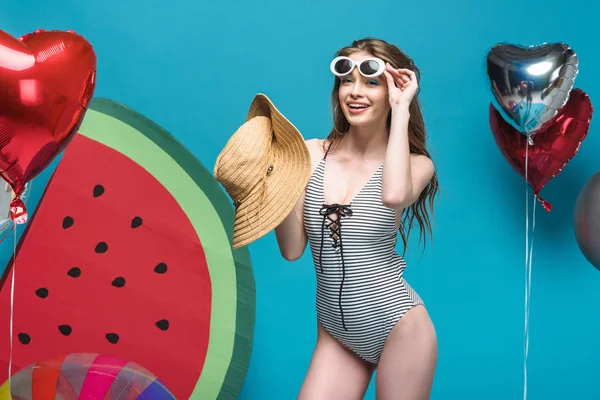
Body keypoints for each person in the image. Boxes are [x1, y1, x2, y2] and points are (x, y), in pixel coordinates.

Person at [274, 37, 440, 400]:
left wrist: (401, 110)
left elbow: (394, 195)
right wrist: (280, 179)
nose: (355, 91)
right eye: (346, 80)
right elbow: (291, 249)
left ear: (393, 89)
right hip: (336, 333)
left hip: (400, 327)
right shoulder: (311, 153)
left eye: (370, 81)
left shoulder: (416, 166)